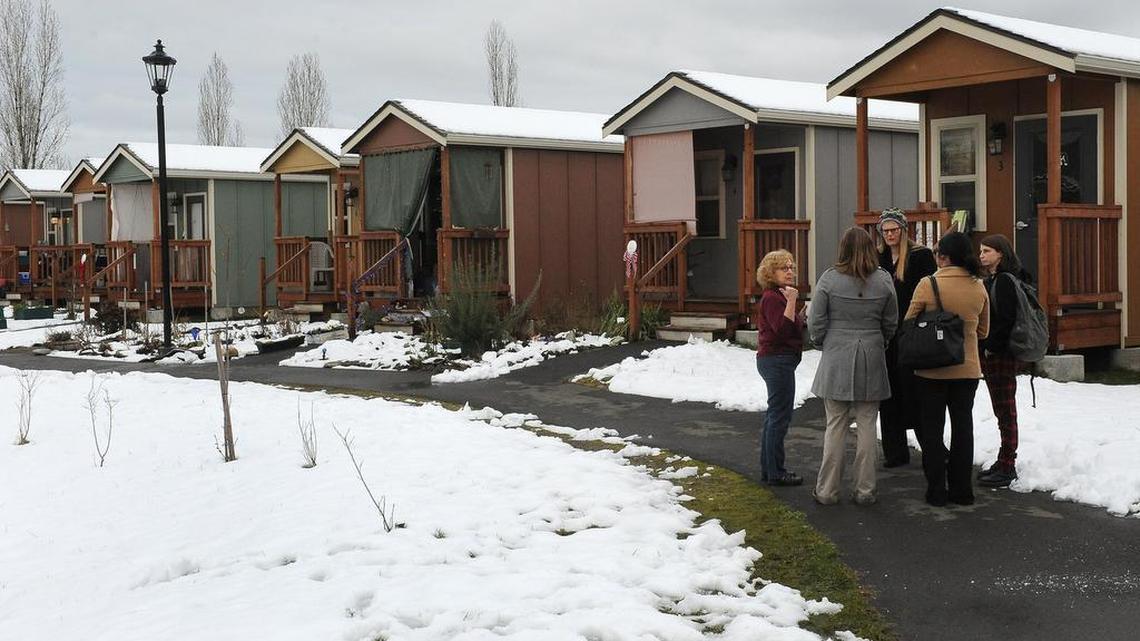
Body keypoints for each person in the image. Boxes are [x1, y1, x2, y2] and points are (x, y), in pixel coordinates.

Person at [808, 228, 898, 505]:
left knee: (835, 425)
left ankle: (827, 491)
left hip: (837, 353)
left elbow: (816, 320)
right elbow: (891, 321)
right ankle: (865, 490)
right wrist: (879, 341)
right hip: (871, 352)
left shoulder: (829, 279)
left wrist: (822, 342)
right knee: (868, 426)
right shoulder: (883, 280)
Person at [905, 231, 990, 507]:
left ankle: (936, 490)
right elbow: (983, 330)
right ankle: (962, 490)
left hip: (931, 370)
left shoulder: (927, 284)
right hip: (967, 369)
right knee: (963, 427)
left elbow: (909, 321)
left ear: (944, 257)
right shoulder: (978, 286)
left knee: (932, 429)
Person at [876, 207, 937, 467]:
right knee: (888, 395)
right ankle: (895, 451)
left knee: (916, 392)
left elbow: (931, 292)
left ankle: (932, 448)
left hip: (912, 333)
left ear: (903, 230)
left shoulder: (919, 256)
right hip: (886, 335)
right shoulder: (878, 257)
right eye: (885, 230)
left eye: (894, 229)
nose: (890, 234)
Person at [977, 234, 1030, 488]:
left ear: (1001, 253)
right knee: (1001, 409)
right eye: (981, 251)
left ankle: (1008, 464)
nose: (982, 255)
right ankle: (1003, 458)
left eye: (987, 251)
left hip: (1001, 355)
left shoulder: (1005, 281)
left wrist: (990, 347)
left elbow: (1006, 320)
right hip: (997, 353)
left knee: (1006, 409)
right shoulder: (995, 279)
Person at [755, 249, 805, 486]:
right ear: (770, 272)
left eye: (791, 267)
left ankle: (770, 470)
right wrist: (793, 300)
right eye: (783, 268)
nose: (789, 271)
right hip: (777, 361)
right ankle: (776, 472)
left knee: (774, 416)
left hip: (776, 360)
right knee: (779, 417)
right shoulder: (773, 297)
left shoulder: (778, 296)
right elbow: (782, 330)